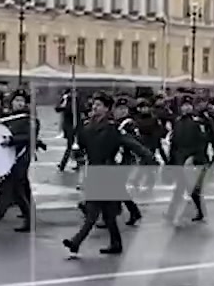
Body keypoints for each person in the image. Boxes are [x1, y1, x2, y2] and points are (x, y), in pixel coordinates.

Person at [64, 94, 157, 257]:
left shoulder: (113, 128)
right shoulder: (87, 127)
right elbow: (80, 146)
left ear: (107, 109)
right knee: (107, 214)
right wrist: (77, 153)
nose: (94, 108)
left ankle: (76, 242)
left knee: (93, 211)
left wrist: (149, 158)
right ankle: (116, 243)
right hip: (94, 172)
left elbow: (132, 144)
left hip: (108, 173)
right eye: (93, 105)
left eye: (99, 105)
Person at [0, 90, 37, 233]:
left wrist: (11, 140)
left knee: (7, 191)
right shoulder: (9, 118)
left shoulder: (29, 119)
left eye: (21, 101)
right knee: (19, 192)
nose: (19, 103)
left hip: (21, 159)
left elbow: (29, 136)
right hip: (9, 158)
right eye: (16, 100)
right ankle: (30, 220)